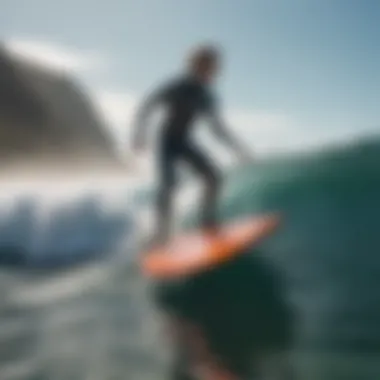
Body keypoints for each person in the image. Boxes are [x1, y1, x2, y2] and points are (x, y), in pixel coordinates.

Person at [131, 44, 251, 246]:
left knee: (214, 177)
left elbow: (217, 128)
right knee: (169, 185)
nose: (212, 71)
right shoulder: (176, 87)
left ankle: (207, 222)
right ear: (194, 65)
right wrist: (139, 134)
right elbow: (148, 105)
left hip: (185, 142)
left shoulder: (207, 96)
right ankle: (160, 234)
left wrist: (238, 149)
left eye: (214, 67)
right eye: (207, 66)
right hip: (167, 141)